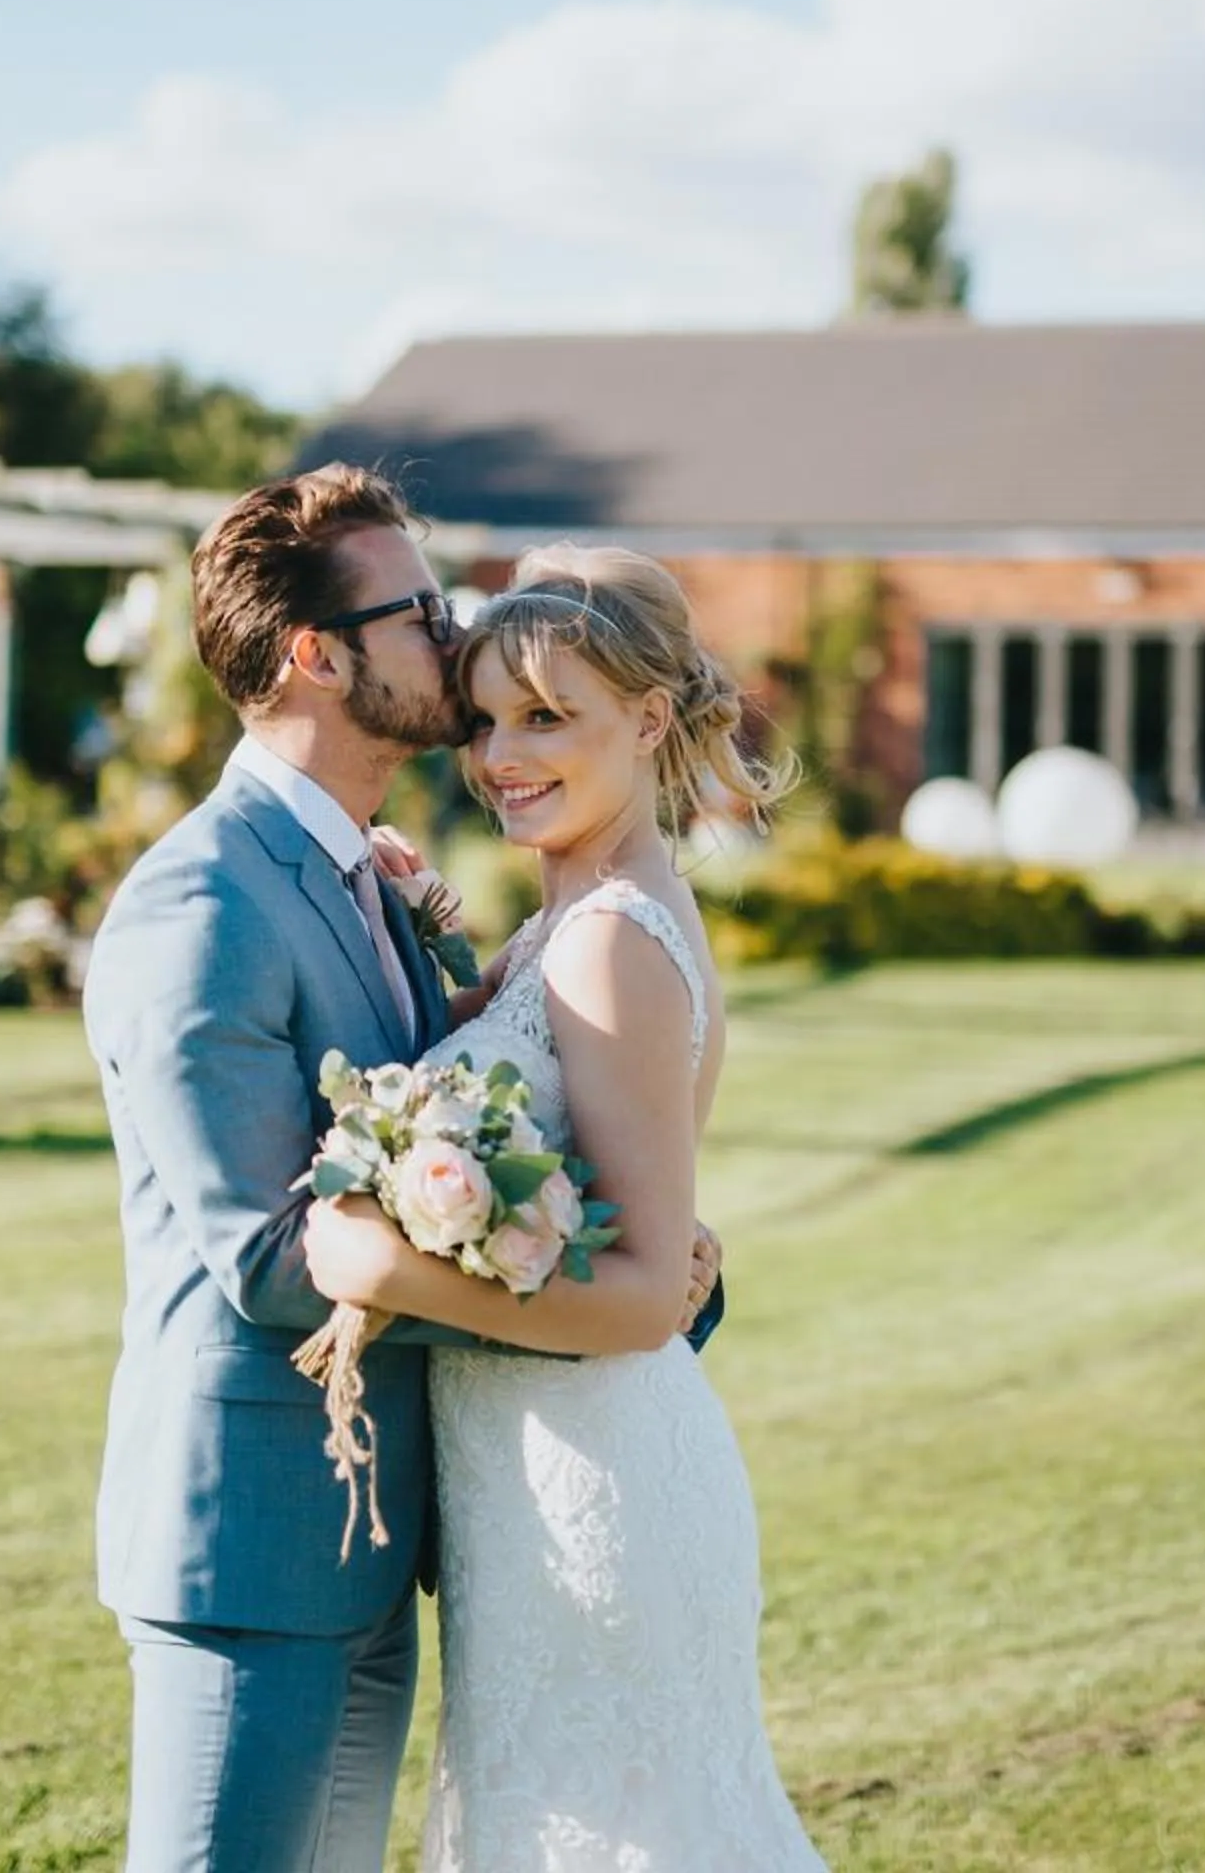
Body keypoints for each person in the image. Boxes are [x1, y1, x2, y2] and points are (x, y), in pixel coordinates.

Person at [81, 468, 724, 1873]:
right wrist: (609, 1290)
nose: (457, 634)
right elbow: (266, 1258)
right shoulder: (203, 903)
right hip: (252, 1534)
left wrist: (635, 1256)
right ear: (318, 654)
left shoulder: (371, 883)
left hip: (391, 1527)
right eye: (422, 610)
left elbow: (511, 1148)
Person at [304, 544, 829, 1871]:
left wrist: (385, 1267)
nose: (499, 754)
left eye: (546, 717)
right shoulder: (572, 919)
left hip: (597, 1482)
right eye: (482, 719)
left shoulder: (609, 940)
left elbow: (653, 1293)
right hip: (524, 1476)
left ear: (648, 721)